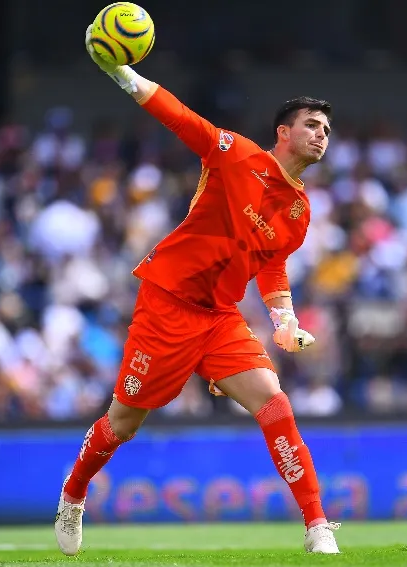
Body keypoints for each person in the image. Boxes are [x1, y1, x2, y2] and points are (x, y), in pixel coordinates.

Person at [54, 24, 341, 556]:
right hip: (167, 303)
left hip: (219, 317)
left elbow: (272, 265)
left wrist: (284, 319)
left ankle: (317, 525)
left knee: (275, 404)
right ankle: (73, 492)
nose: (321, 134)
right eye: (311, 124)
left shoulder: (300, 213)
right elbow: (182, 120)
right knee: (124, 421)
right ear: (284, 131)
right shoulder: (237, 155)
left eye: (326, 128)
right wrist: (123, 75)